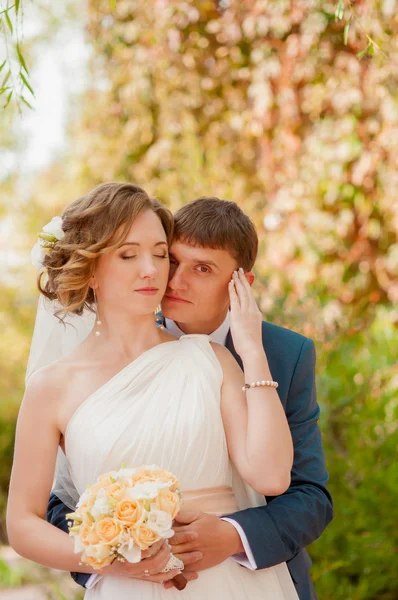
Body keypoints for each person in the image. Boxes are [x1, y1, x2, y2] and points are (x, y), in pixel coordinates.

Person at [7, 183, 299, 599]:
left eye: (160, 253)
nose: (152, 269)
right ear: (91, 270)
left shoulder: (211, 359)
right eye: (128, 255)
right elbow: (22, 524)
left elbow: (270, 475)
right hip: (128, 587)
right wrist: (109, 558)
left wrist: (251, 350)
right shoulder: (51, 388)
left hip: (231, 582)